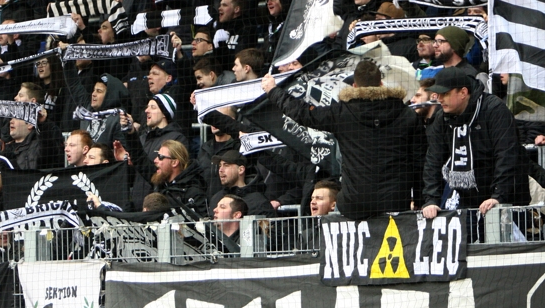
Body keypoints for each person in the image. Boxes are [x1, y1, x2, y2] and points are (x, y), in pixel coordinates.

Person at [261, 59, 424, 219]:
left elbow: (303, 113)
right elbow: (419, 161)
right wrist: (419, 199)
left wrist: (273, 91)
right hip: (396, 201)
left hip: (355, 203)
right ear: (381, 84)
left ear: (354, 86)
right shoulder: (407, 115)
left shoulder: (342, 113)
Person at [422, 68, 530, 221]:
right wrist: (431, 200)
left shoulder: (494, 109)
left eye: (445, 94)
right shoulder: (442, 118)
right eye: (437, 94)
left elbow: (507, 155)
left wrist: (498, 196)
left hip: (507, 198)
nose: (439, 99)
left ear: (463, 92)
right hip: (468, 200)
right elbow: (433, 160)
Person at [117, 137, 207, 217]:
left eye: (160, 157)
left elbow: (202, 227)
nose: (155, 160)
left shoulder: (193, 192)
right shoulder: (160, 182)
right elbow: (141, 159)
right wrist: (130, 133)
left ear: (174, 162)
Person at [211, 150, 275, 217]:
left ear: (241, 170)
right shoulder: (216, 198)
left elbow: (269, 227)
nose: (220, 170)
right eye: (220, 166)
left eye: (226, 165)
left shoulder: (259, 202)